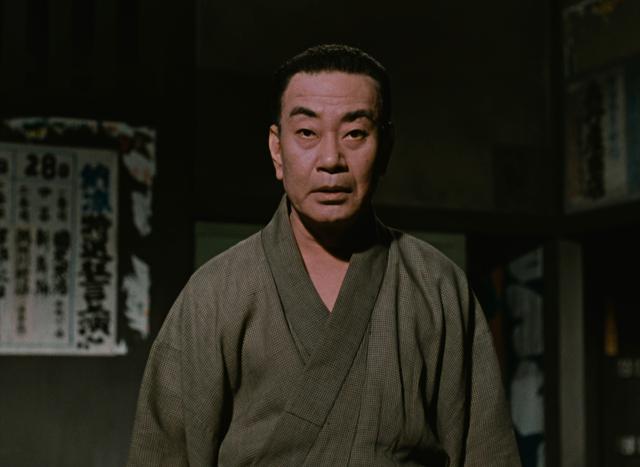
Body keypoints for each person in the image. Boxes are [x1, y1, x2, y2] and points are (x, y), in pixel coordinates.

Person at [127, 44, 521, 466]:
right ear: (277, 149)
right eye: (307, 133)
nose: (331, 159)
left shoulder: (436, 285)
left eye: (355, 133)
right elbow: (162, 454)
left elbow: (487, 453)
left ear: (385, 147)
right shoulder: (215, 294)